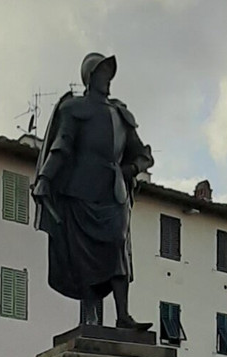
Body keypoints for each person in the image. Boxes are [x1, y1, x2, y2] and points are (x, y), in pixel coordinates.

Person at [33, 52, 155, 329]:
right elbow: (61, 146)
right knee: (84, 257)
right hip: (80, 192)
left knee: (117, 246)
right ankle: (90, 317)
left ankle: (123, 316)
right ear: (90, 78)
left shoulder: (121, 114)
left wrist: (131, 170)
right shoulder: (74, 109)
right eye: (101, 74)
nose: (107, 80)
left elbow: (142, 155)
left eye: (109, 75)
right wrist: (45, 178)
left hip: (113, 193)